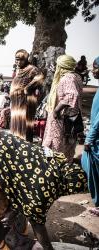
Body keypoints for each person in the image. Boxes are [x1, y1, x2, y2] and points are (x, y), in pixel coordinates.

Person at [0, 126, 87, 250]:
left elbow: (21, 188)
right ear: (67, 187)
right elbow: (37, 224)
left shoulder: (58, 161)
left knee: (4, 203)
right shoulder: (44, 189)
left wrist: (13, 213)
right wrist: (48, 248)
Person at [43, 55, 83, 162]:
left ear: (62, 66)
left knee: (56, 144)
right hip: (71, 118)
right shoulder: (76, 76)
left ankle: (55, 170)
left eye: (58, 64)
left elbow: (72, 95)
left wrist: (56, 110)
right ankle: (63, 168)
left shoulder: (67, 78)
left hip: (62, 118)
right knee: (66, 145)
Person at [10, 49, 44, 142]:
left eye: (21, 59)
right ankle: (16, 144)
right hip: (16, 102)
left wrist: (28, 87)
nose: (18, 62)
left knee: (24, 124)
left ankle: (24, 147)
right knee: (16, 123)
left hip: (25, 101)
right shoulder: (19, 69)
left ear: (26, 59)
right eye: (16, 59)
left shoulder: (32, 68)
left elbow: (40, 78)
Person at [81, 56, 99, 216]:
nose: (92, 70)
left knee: (89, 165)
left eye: (95, 67)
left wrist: (89, 139)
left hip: (96, 139)